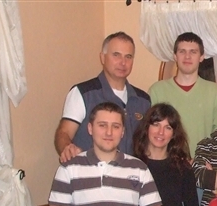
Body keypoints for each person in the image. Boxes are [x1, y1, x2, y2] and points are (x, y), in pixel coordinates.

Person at [54, 32, 150, 162]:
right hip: (90, 172)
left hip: (131, 173)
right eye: (116, 55)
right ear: (103, 58)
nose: (123, 62)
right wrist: (67, 148)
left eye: (128, 57)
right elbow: (64, 132)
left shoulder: (143, 100)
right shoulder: (83, 93)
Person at [149, 32, 217, 154]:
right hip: (166, 161)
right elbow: (149, 131)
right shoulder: (157, 91)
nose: (187, 56)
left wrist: (203, 159)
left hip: (202, 162)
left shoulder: (215, 92)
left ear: (201, 57)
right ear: (175, 56)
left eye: (193, 52)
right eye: (182, 51)